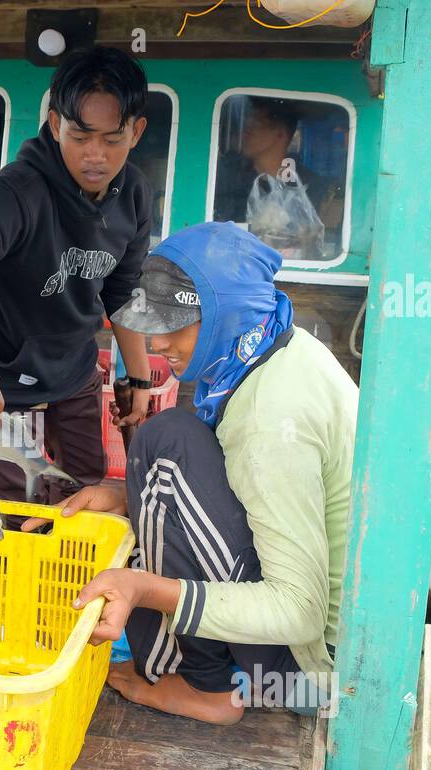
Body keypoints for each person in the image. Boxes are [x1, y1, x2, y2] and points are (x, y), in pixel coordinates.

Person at [29, 222, 357, 725]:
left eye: (176, 324)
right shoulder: (276, 345)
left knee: (167, 443)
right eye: (154, 321)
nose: (157, 341)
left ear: (227, 314)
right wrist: (124, 495)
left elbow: (299, 611)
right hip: (322, 639)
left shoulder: (271, 421)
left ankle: (208, 688)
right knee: (163, 446)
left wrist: (144, 588)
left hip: (311, 668)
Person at [0, 46, 156, 502]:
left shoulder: (135, 195)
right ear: (54, 122)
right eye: (80, 136)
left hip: (74, 366)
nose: (95, 156)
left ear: (136, 131)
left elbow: (124, 290)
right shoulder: (21, 191)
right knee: (8, 511)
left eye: (112, 138)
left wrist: (138, 380)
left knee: (85, 494)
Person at [212, 97, 342, 254]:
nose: (246, 129)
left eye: (257, 123)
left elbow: (323, 241)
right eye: (247, 122)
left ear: (281, 134)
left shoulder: (313, 186)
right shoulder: (226, 179)